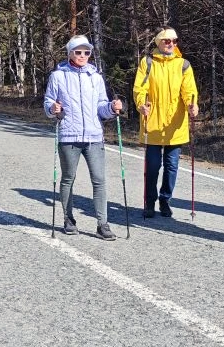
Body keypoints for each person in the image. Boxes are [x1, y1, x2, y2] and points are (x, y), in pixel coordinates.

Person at [44, 35, 124, 241]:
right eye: (78, 52)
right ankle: (68, 219)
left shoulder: (95, 77)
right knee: (68, 179)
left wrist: (112, 108)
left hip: (94, 136)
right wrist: (53, 109)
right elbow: (48, 103)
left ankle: (102, 224)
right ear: (70, 53)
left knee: (99, 180)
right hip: (68, 136)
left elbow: (101, 107)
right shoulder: (58, 76)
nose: (82, 55)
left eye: (86, 52)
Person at [133, 27, 199, 218]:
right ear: (159, 43)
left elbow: (189, 91)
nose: (171, 44)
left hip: (175, 124)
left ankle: (165, 200)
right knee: (153, 166)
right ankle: (149, 202)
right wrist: (141, 104)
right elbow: (140, 88)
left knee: (172, 166)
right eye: (167, 41)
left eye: (174, 41)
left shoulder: (183, 65)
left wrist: (192, 105)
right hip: (153, 123)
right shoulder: (148, 62)